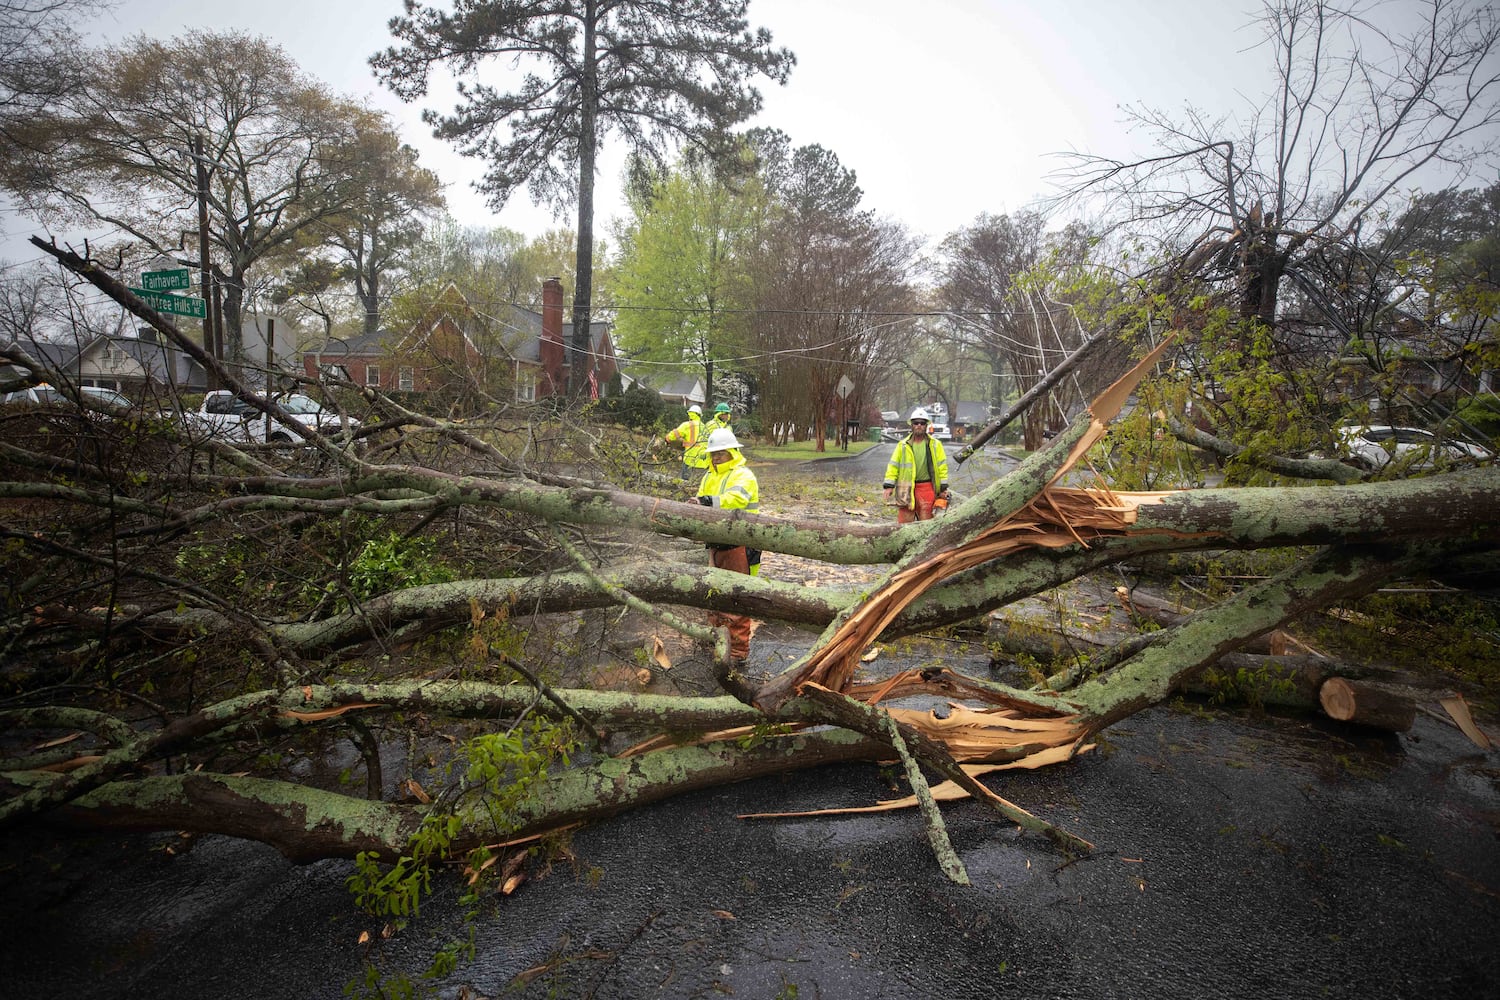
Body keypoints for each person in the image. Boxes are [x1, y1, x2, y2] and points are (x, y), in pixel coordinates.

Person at [696, 426, 761, 664]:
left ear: (732, 451)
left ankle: (737, 652)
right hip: (716, 544)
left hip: (738, 544)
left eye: (720, 453)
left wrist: (704, 502)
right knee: (712, 595)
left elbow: (735, 499)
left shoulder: (743, 475)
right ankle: (716, 640)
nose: (716, 457)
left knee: (735, 598)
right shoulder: (709, 476)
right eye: (713, 453)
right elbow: (701, 502)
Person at [882, 407, 950, 523]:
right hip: (905, 488)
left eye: (922, 423)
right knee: (904, 524)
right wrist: (889, 486)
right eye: (916, 423)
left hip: (927, 488)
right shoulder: (902, 445)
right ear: (911, 425)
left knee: (926, 524)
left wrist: (943, 489)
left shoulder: (935, 445)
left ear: (926, 425)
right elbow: (893, 466)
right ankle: (905, 542)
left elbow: (942, 468)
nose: (919, 425)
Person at [663, 404, 709, 479]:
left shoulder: (687, 425)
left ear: (690, 414)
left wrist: (666, 439)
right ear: (700, 415)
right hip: (703, 462)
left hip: (689, 459)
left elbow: (673, 435)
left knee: (685, 483)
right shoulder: (704, 427)